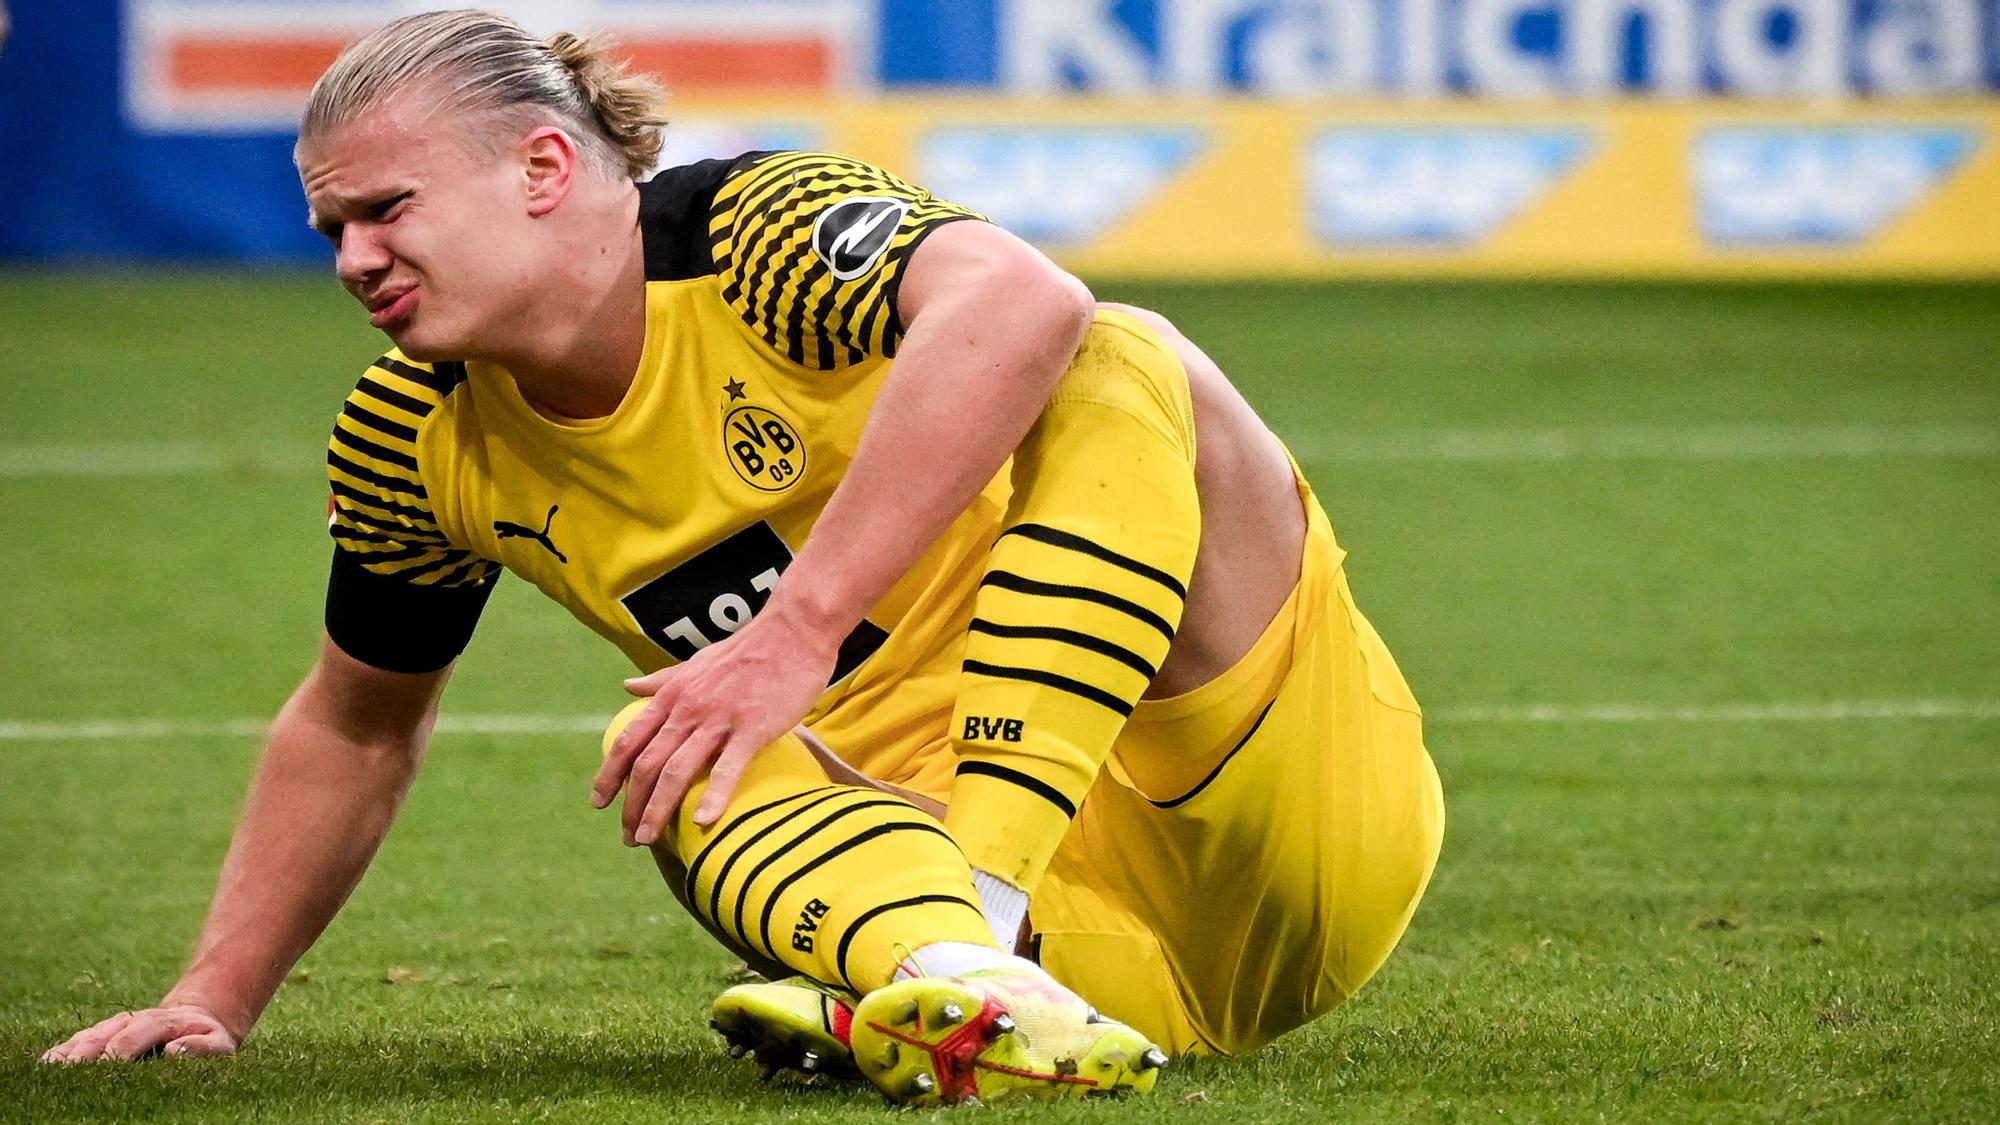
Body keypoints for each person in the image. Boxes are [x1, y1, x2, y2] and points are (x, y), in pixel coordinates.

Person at [41, 9, 1443, 1105]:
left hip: (1278, 810)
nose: (353, 257)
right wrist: (212, 995)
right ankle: (966, 982)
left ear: (542, 167)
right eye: (332, 228)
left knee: (1122, 352)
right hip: (1024, 940)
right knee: (676, 741)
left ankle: (983, 924)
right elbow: (355, 722)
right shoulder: (412, 437)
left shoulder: (749, 232)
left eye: (387, 208)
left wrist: (793, 629)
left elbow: (1021, 297)